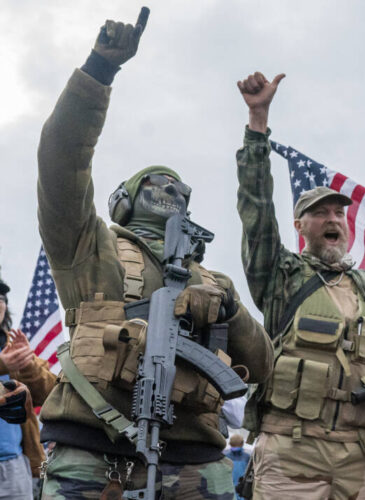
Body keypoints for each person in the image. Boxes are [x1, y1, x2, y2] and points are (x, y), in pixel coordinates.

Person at [35, 11, 272, 498]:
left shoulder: (212, 278)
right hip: (92, 454)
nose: (168, 187)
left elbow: (261, 365)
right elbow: (61, 158)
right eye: (153, 180)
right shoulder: (90, 244)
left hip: (196, 463)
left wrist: (228, 309)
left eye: (176, 185)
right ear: (125, 199)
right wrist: (99, 71)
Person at [236, 71, 365, 500]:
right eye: (321, 212)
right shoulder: (281, 276)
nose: (333, 219)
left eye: (339, 214)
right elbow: (256, 213)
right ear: (300, 226)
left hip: (360, 457)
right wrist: (258, 122)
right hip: (291, 452)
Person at [0, 280, 35, 499]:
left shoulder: (13, 348)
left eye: (1, 299)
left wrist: (29, 364)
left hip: (13, 466)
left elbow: (49, 390)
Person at [225, 434, 250, 500]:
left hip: (228, 489)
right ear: (242, 443)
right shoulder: (247, 457)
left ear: (230, 443)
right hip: (242, 489)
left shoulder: (225, 457)